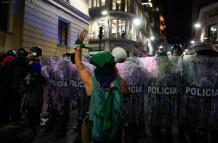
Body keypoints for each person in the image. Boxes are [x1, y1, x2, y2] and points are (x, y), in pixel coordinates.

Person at [75, 31, 129, 143]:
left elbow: (79, 66)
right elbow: (127, 96)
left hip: (96, 132)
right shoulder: (122, 83)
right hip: (115, 133)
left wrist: (79, 45)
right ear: (114, 67)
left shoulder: (91, 82)